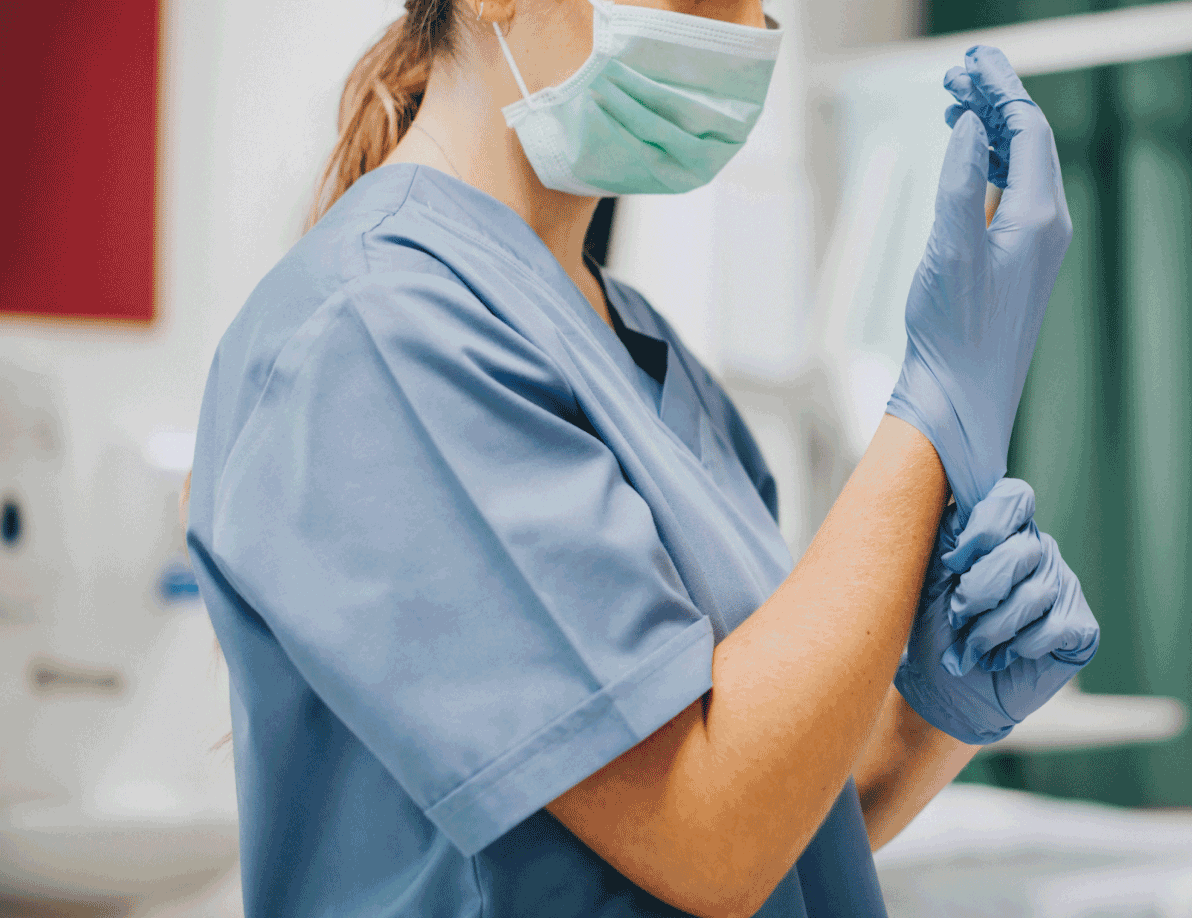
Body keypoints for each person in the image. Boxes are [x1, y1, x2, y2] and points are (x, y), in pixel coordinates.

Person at [180, 0, 1099, 913]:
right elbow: (708, 835)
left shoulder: (651, 359)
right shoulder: (374, 332)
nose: (738, 31)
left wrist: (929, 718)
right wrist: (937, 399)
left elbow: (778, 819)